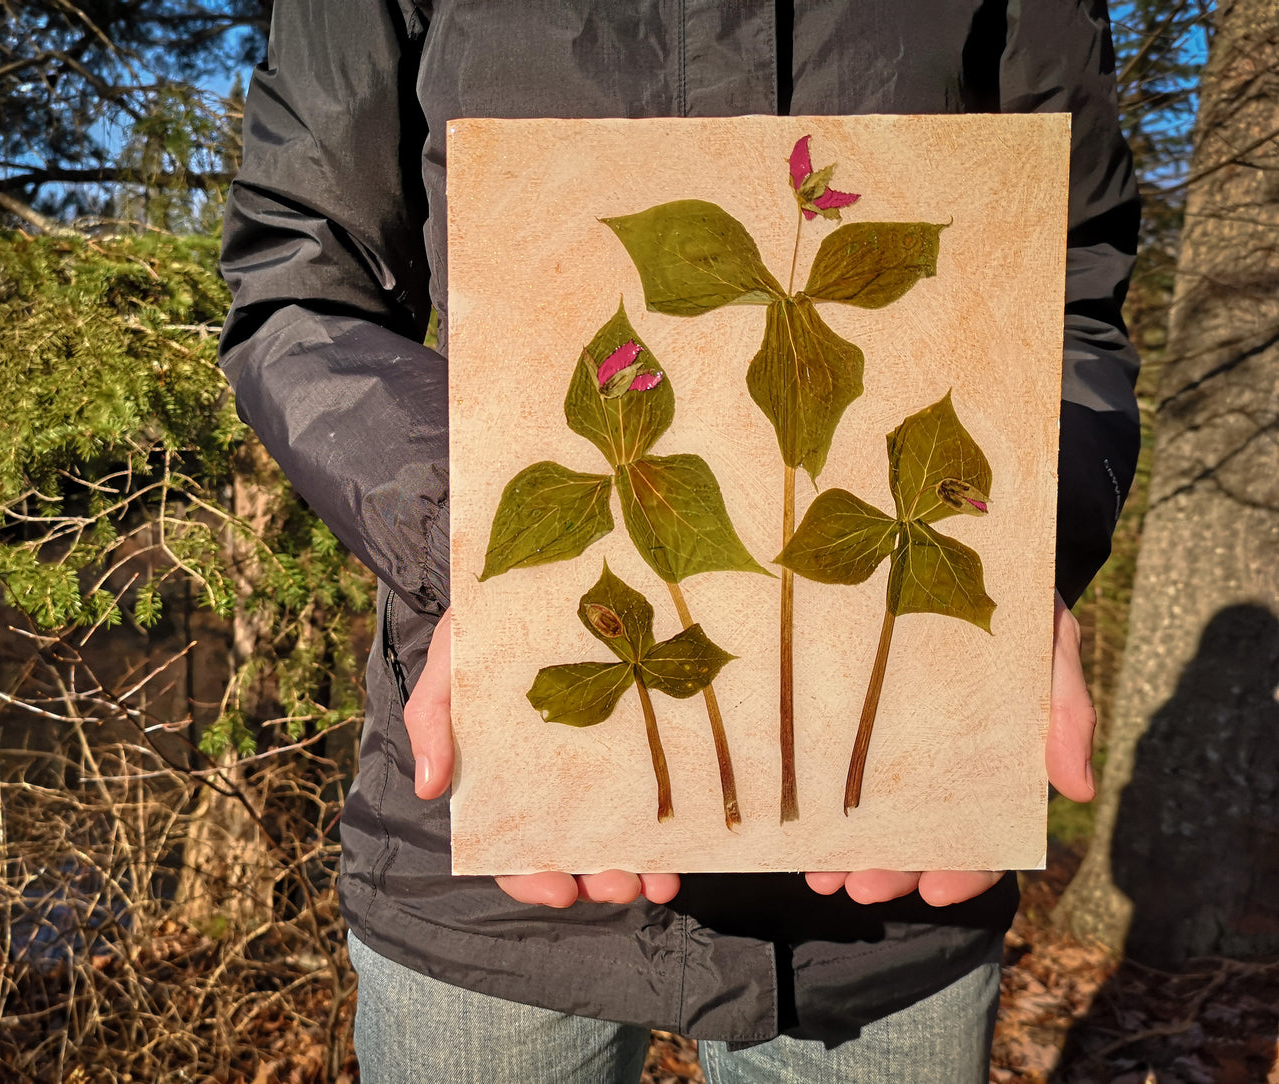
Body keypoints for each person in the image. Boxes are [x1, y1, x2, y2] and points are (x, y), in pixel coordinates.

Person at [218, 2, 1141, 1080]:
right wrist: (484, 557)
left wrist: (1020, 546)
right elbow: (299, 285)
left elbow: (1065, 292)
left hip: (890, 839)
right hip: (497, 830)